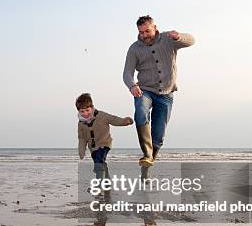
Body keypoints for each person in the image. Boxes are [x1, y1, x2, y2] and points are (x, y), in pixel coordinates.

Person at [123, 15, 195, 166]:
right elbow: (127, 73)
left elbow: (191, 40)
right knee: (141, 113)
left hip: (166, 94)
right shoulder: (134, 48)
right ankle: (146, 153)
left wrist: (179, 37)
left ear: (154, 28)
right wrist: (132, 85)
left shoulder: (168, 39)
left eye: (147, 31)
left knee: (159, 133)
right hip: (145, 90)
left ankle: (150, 158)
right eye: (141, 32)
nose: (144, 35)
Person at [76, 92, 133, 179]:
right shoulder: (81, 124)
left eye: (87, 110)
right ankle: (107, 182)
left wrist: (124, 121)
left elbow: (113, 119)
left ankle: (99, 185)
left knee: (99, 162)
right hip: (93, 148)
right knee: (100, 162)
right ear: (79, 111)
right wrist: (81, 150)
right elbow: (82, 138)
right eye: (82, 111)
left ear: (92, 107)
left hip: (104, 143)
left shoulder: (101, 115)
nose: (85, 113)